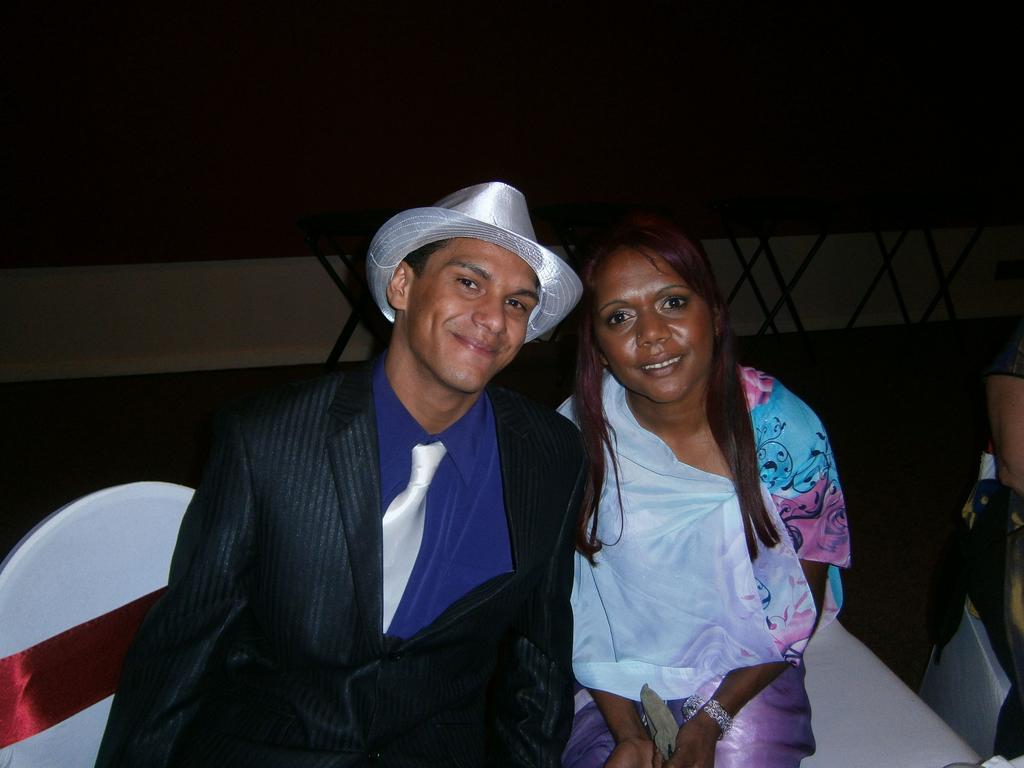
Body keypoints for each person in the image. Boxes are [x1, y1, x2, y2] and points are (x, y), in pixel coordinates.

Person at [95, 181, 586, 767]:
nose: (493, 319)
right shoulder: (267, 441)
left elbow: (541, 654)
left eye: (517, 303)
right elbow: (186, 645)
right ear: (402, 285)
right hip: (271, 747)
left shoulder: (550, 452)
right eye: (469, 282)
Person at [557, 215, 850, 768]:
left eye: (672, 303)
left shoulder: (780, 428)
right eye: (620, 317)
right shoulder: (574, 437)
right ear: (596, 346)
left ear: (714, 314)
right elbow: (577, 608)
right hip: (615, 675)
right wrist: (627, 732)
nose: (651, 335)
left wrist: (712, 720)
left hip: (746, 667)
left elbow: (799, 601)